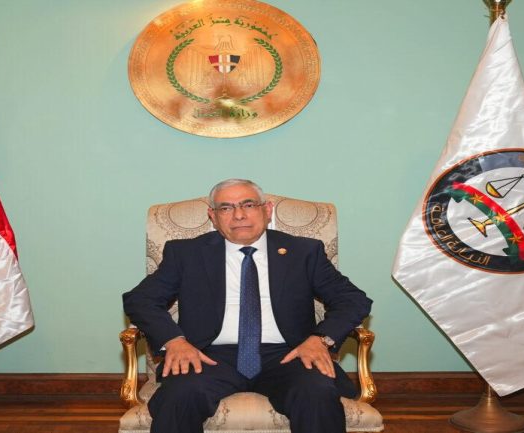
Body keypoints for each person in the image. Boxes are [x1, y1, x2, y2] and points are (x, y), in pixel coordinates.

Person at [123, 179, 372, 433]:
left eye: (249, 205)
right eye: (226, 208)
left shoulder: (303, 251)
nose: (239, 215)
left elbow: (352, 299)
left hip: (289, 355)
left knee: (316, 393)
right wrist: (174, 340)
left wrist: (321, 339)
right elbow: (140, 300)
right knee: (180, 395)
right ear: (213, 216)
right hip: (208, 356)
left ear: (267, 210)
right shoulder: (186, 253)